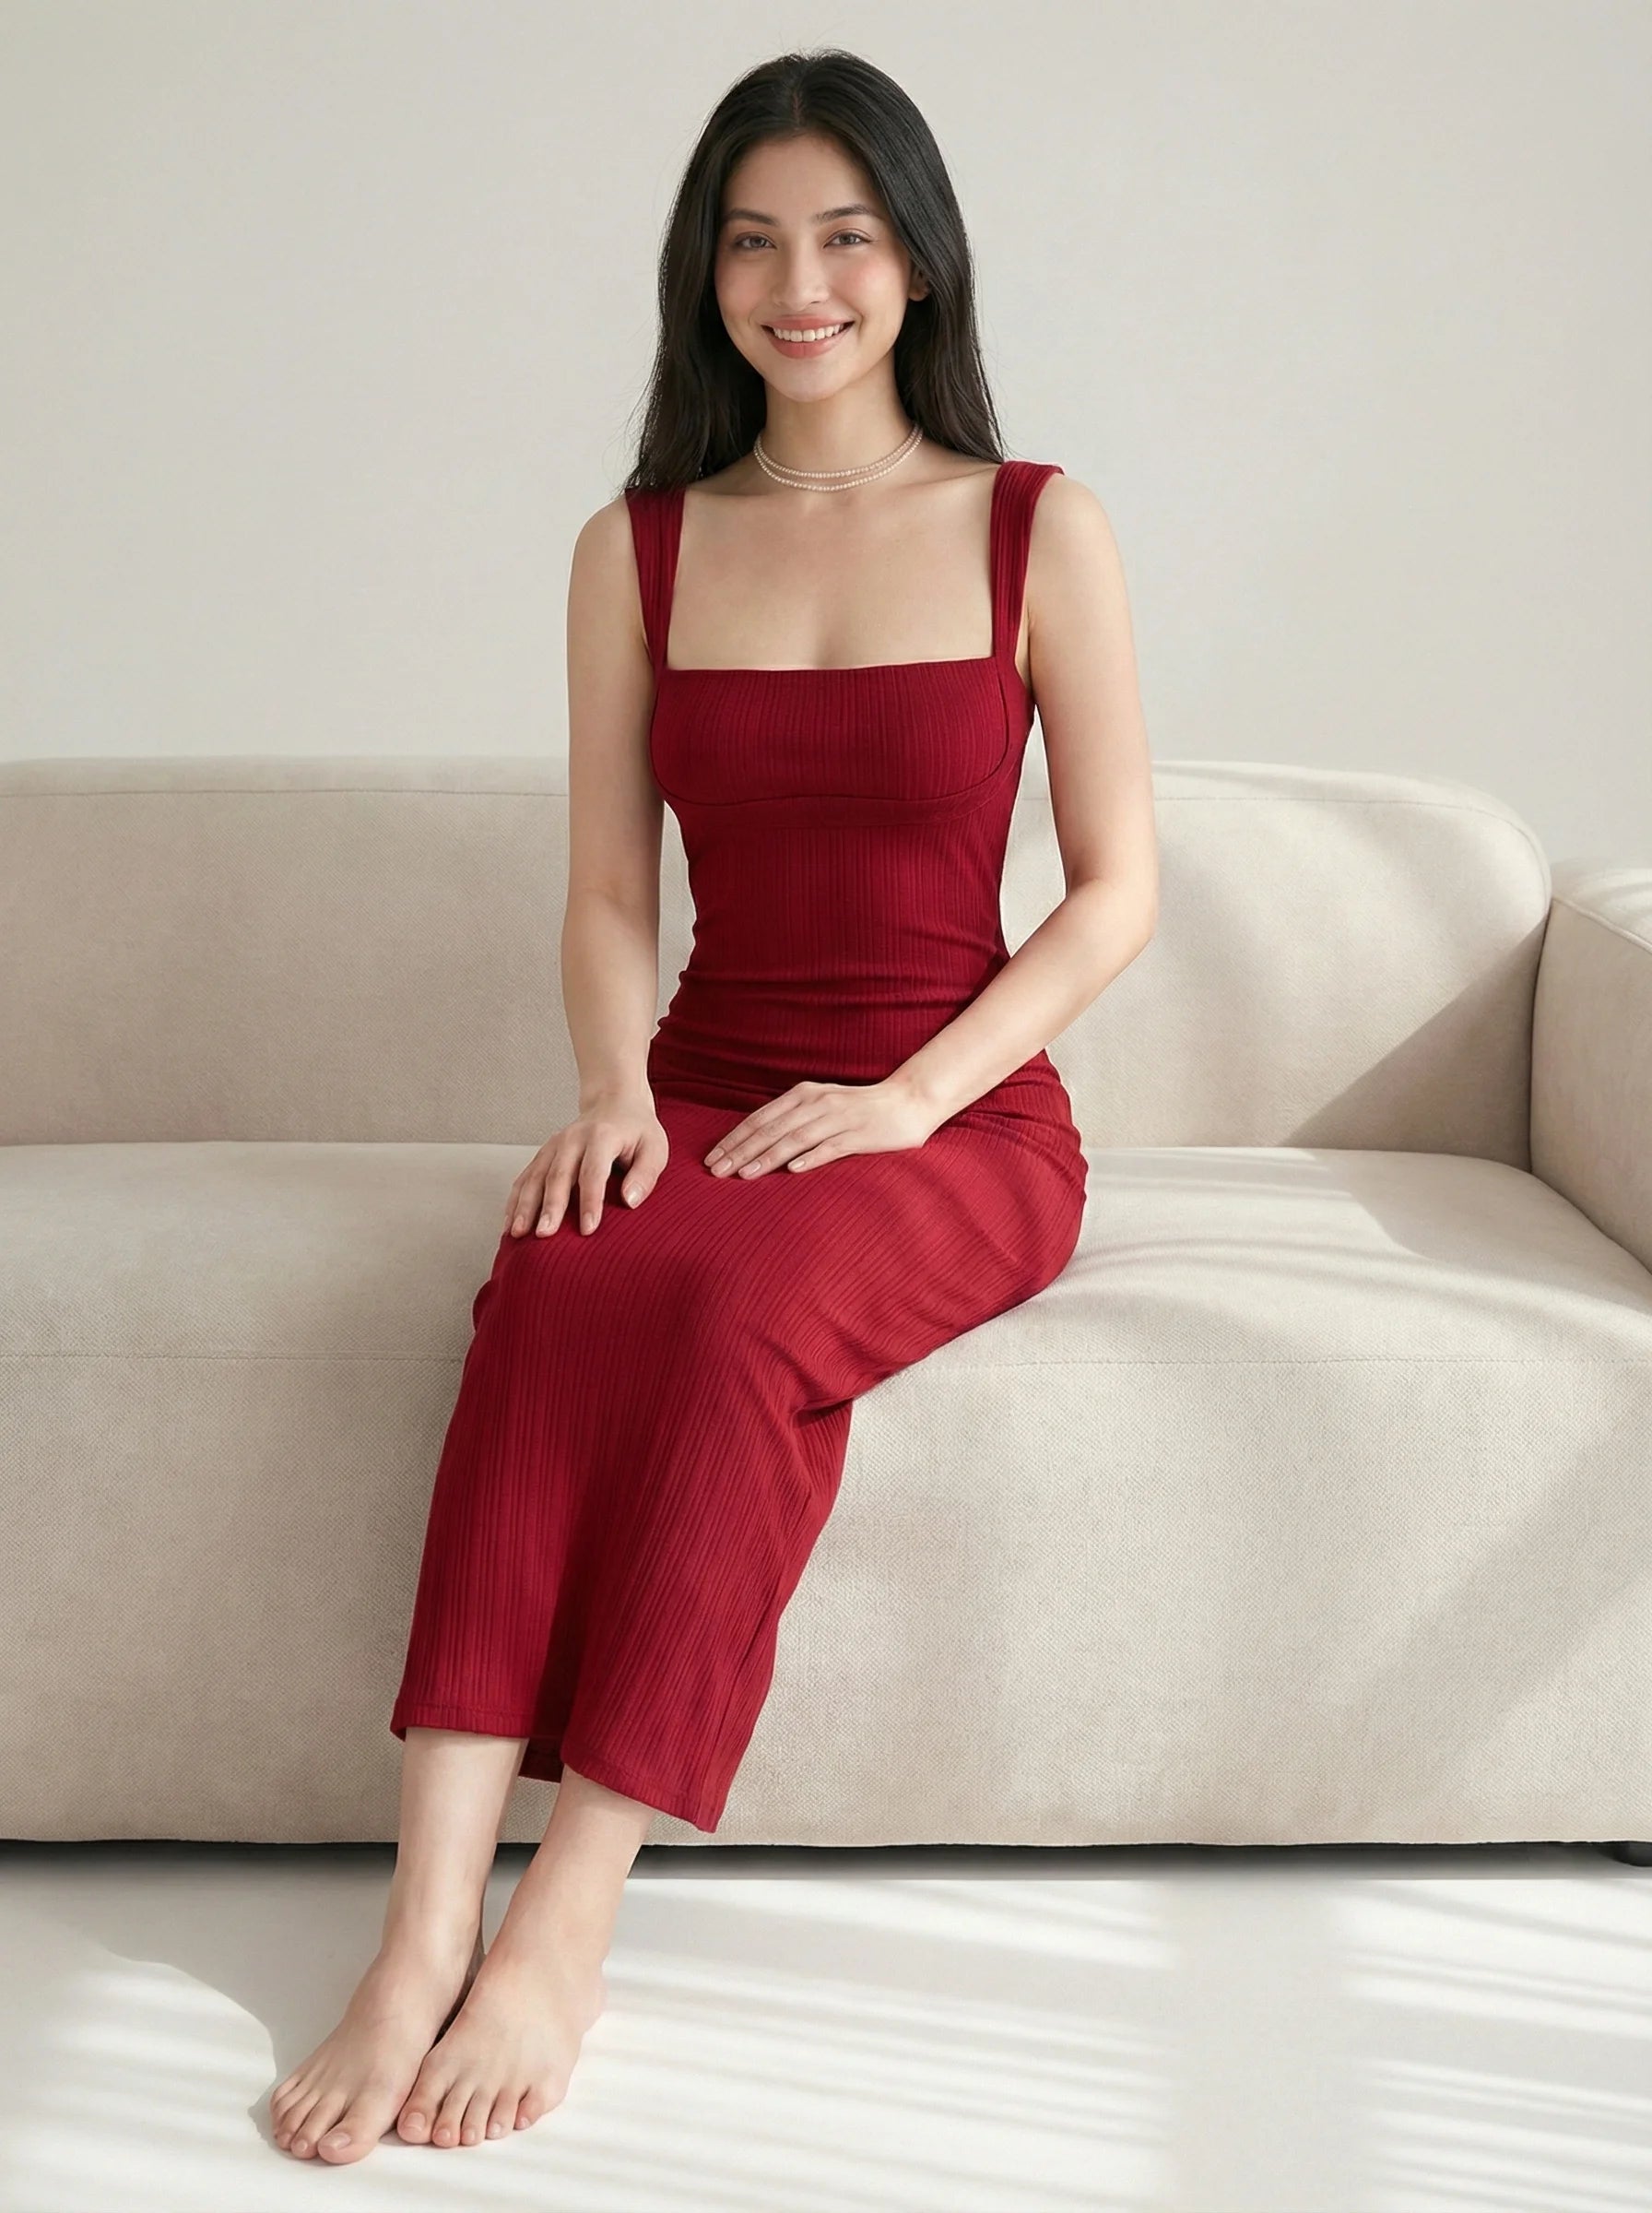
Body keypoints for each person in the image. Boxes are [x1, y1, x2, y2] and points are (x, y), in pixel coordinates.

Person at [268, 45, 1155, 2166]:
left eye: (845, 237)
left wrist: (908, 1097)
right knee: (560, 1280)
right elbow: (600, 889)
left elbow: (1117, 890)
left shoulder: (1038, 525)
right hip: (707, 1083)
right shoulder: (639, 549)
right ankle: (414, 1933)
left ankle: (566, 1912)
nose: (800, 284)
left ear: (918, 265)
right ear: (705, 275)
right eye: (752, 241)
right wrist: (610, 1090)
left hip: (957, 1120)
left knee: (735, 1320)